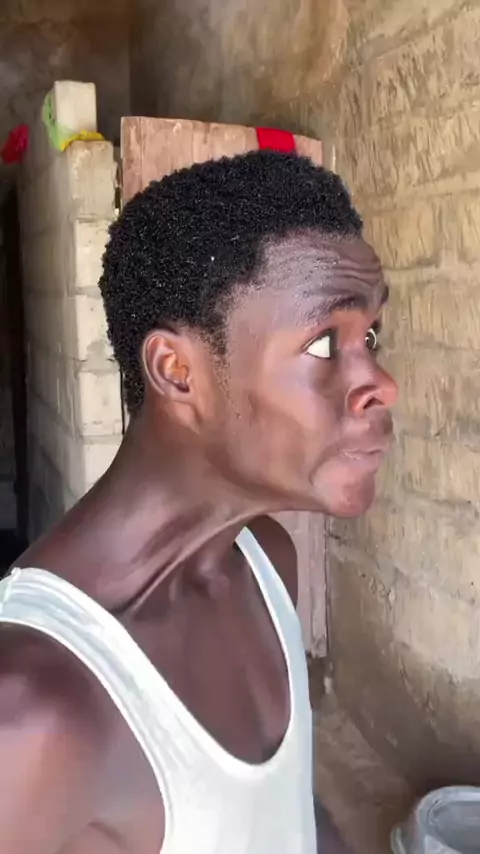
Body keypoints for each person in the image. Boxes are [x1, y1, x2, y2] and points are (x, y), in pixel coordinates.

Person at [0, 150, 397, 853]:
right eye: (322, 344)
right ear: (177, 371)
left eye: (370, 336)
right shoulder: (36, 711)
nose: (382, 384)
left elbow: (283, 812)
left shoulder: (267, 563)